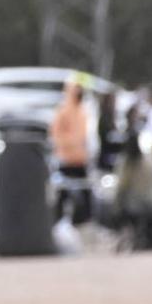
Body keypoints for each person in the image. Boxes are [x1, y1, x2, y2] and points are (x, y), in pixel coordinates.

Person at [50, 81, 92, 224]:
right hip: (66, 159)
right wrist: (71, 143)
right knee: (64, 192)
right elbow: (56, 135)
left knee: (85, 191)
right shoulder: (63, 112)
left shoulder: (82, 112)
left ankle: (83, 220)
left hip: (80, 159)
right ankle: (59, 219)